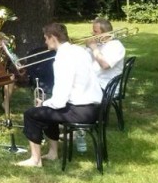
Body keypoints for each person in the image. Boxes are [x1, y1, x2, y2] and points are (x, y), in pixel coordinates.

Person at [17, 23, 102, 168]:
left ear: (53, 38)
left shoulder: (63, 58)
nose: (45, 42)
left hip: (80, 111)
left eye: (46, 38)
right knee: (49, 112)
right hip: (93, 108)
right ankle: (52, 153)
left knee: (31, 114)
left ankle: (35, 160)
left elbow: (60, 100)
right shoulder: (79, 50)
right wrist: (48, 104)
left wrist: (43, 104)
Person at [87, 18, 126, 89]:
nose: (92, 33)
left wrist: (94, 48)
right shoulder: (99, 43)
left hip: (105, 86)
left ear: (105, 33)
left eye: (95, 31)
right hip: (94, 82)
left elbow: (105, 65)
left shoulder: (116, 46)